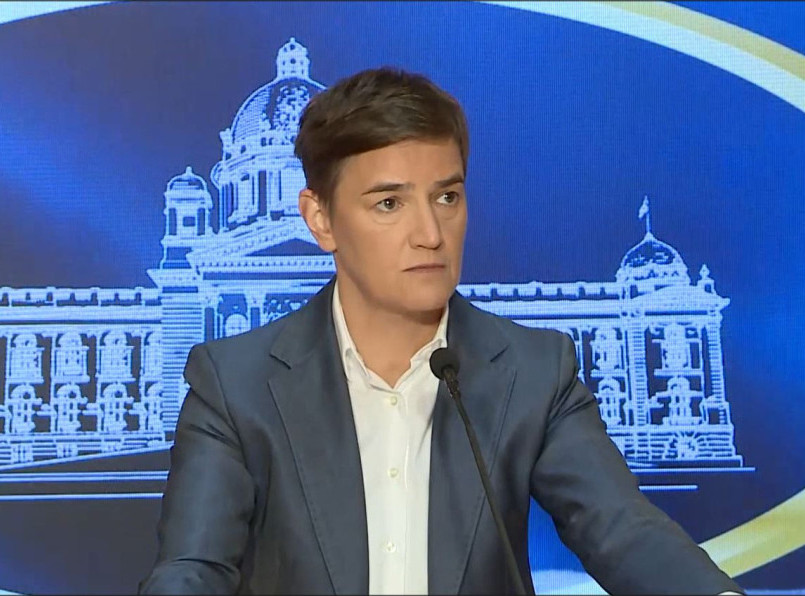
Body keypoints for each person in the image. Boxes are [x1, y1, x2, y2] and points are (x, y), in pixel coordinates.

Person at [139, 67, 743, 595]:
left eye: (447, 197)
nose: (430, 234)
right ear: (319, 219)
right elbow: (193, 569)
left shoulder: (533, 371)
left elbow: (623, 531)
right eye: (389, 203)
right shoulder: (234, 383)